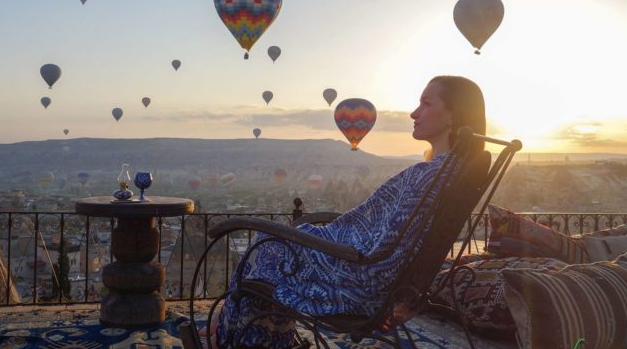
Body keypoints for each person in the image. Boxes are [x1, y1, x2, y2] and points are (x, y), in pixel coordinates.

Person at [208, 76, 487, 348]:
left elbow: (384, 246)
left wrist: (318, 238)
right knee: (278, 249)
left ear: (453, 115)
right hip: (382, 280)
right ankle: (258, 337)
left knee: (263, 246)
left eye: (426, 103)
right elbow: (390, 234)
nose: (414, 112)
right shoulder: (450, 173)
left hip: (361, 282)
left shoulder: (430, 176)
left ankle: (230, 337)